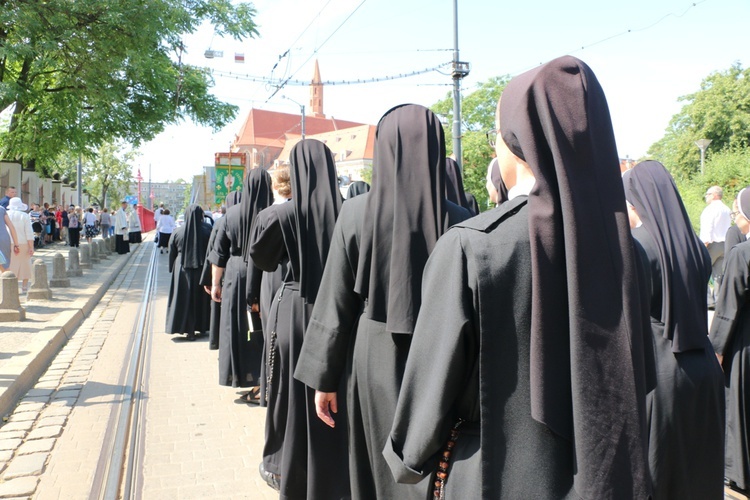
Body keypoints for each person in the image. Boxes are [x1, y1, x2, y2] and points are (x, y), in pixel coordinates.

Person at [382, 57, 654, 499]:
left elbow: (429, 394)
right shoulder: (631, 252)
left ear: (516, 139)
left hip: (492, 470)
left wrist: (406, 460)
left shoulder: (474, 246)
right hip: (608, 475)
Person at [294, 104, 472, 500]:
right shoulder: (461, 219)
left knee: (373, 461)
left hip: (372, 354)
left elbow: (336, 301)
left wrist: (324, 379)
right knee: (433, 456)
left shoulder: (355, 213)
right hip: (442, 355)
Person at [249, 139, 348, 499]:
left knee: (290, 393)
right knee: (335, 391)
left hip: (295, 308)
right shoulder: (352, 210)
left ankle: (292, 469)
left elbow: (262, 259)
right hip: (340, 313)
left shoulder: (282, 215)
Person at [623, 161, 725, 499]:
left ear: (636, 199)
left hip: (663, 376)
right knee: (698, 474)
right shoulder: (695, 245)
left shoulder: (636, 245)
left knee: (660, 477)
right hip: (705, 371)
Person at [207, 169, 273, 394]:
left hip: (235, 274)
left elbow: (219, 254)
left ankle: (239, 375)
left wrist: (216, 284)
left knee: (237, 328)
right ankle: (264, 381)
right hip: (266, 274)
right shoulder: (272, 213)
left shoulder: (231, 214)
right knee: (264, 330)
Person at [710, 186, 750, 495]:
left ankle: (737, 473)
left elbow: (727, 310)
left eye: (738, 212)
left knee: (738, 406)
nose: (735, 218)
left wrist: (717, 350)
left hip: (744, 345)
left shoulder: (742, 254)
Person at [166, 204, 212, 340]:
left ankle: (187, 329)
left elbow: (172, 252)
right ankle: (202, 327)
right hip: (202, 267)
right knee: (201, 299)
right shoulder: (207, 230)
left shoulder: (177, 231)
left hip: (181, 269)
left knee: (183, 299)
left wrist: (172, 268)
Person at [201, 194, 240, 351]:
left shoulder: (221, 222)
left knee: (221, 310)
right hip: (242, 269)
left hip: (224, 271)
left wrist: (209, 279)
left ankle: (219, 342)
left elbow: (213, 252)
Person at [701, 185, 732, 308]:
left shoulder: (710, 209)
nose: (706, 196)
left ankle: (708, 300)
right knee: (718, 274)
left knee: (703, 271)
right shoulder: (726, 209)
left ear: (714, 195)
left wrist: (704, 244)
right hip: (724, 243)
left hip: (711, 244)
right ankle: (719, 301)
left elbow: (708, 228)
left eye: (708, 194)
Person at [6, 197, 34, 293]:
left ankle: (10, 286)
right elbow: (29, 232)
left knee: (10, 264)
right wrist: (31, 246)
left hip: (8, 243)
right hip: (23, 243)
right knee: (25, 264)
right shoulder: (24, 216)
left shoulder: (5, 215)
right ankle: (24, 287)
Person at [0, 204, 20, 271]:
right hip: (3, 239)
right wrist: (16, 244)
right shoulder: (2, 209)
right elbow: (11, 227)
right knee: (5, 265)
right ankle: (8, 280)